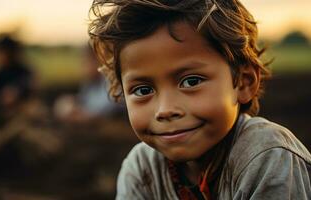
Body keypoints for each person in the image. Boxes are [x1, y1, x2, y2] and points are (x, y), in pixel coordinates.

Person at [88, 0, 311, 199]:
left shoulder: (267, 157)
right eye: (143, 90)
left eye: (191, 82)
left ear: (243, 82)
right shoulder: (142, 170)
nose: (165, 110)